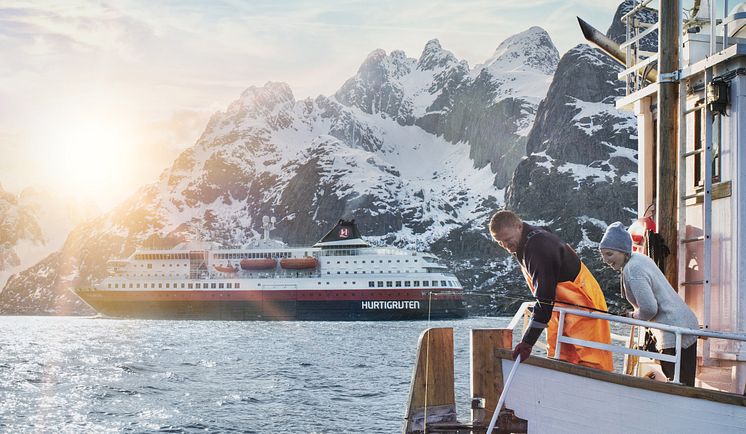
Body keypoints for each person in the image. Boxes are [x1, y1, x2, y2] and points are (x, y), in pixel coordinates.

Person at [489, 210, 614, 372]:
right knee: (563, 358)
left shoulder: (537, 247)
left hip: (583, 304)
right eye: (500, 242)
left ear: (519, 226)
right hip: (565, 308)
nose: (505, 246)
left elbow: (545, 300)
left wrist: (527, 342)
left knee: (592, 361)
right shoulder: (530, 238)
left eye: (507, 239)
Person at [599, 222, 699, 386]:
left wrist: (632, 316)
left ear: (623, 251)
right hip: (684, 326)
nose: (606, 260)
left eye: (609, 254)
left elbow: (649, 309)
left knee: (680, 388)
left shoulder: (633, 270)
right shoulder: (639, 259)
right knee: (684, 384)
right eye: (603, 256)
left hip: (674, 333)